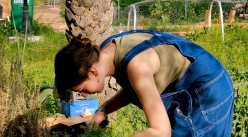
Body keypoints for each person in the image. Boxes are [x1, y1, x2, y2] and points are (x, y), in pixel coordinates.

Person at [54, 29, 234, 137]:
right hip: (199, 79)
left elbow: (160, 132)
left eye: (82, 89)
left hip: (207, 92)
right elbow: (133, 89)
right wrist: (104, 109)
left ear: (92, 72)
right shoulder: (108, 50)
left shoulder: (137, 67)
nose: (84, 95)